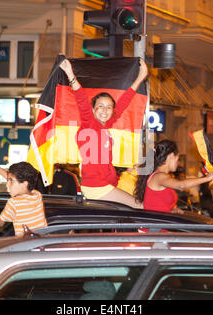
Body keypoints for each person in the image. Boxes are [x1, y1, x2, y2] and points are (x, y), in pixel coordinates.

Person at [59, 58, 148, 208]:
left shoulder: (105, 126)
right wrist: (70, 75)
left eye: (109, 107)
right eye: (100, 106)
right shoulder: (90, 124)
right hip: (97, 187)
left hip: (106, 185)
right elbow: (81, 101)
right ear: (93, 110)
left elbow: (123, 103)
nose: (105, 110)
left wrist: (140, 78)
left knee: (123, 215)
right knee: (141, 207)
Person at [134, 140, 213, 214]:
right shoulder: (158, 176)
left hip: (161, 224)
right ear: (171, 156)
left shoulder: (160, 176)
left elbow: (158, 206)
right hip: (156, 228)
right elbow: (181, 185)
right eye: (178, 158)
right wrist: (206, 178)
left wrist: (172, 210)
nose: (178, 162)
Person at [0, 158, 47, 237]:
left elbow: (0, 223)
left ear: (25, 183)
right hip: (40, 243)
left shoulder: (14, 203)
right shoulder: (37, 195)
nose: (7, 184)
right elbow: (19, 181)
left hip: (23, 246)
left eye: (11, 181)